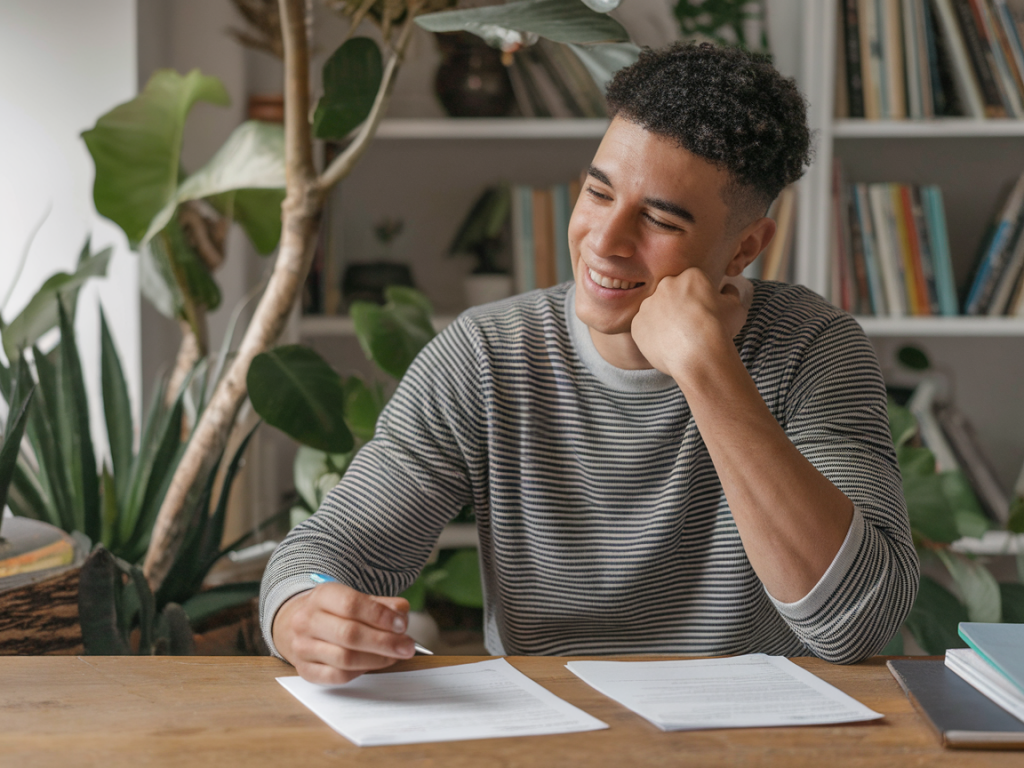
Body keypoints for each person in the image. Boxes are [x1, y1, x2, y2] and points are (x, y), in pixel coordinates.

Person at [260, 42, 919, 684]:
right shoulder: (488, 354)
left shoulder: (811, 347)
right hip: (549, 735)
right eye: (598, 194)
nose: (604, 243)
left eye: (659, 219)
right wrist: (303, 609)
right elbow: (323, 555)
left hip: (753, 738)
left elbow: (855, 624)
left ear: (744, 247)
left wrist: (705, 369)